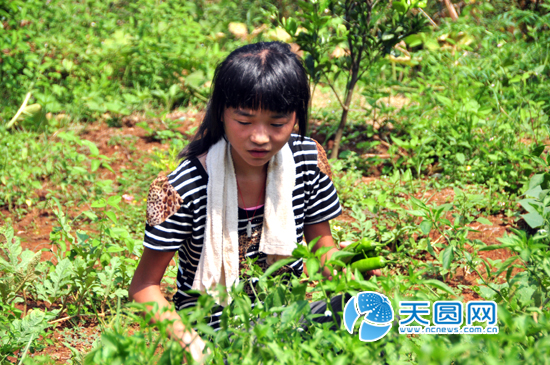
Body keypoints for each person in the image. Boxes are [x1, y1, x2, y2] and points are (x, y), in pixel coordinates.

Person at [129, 41, 379, 363]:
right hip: (213, 335)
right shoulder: (181, 187)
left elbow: (322, 249)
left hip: (286, 319)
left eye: (276, 123)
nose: (260, 137)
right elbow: (144, 286)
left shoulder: (306, 161)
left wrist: (348, 271)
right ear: (221, 114)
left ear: (295, 118)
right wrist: (192, 344)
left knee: (374, 314)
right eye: (244, 121)